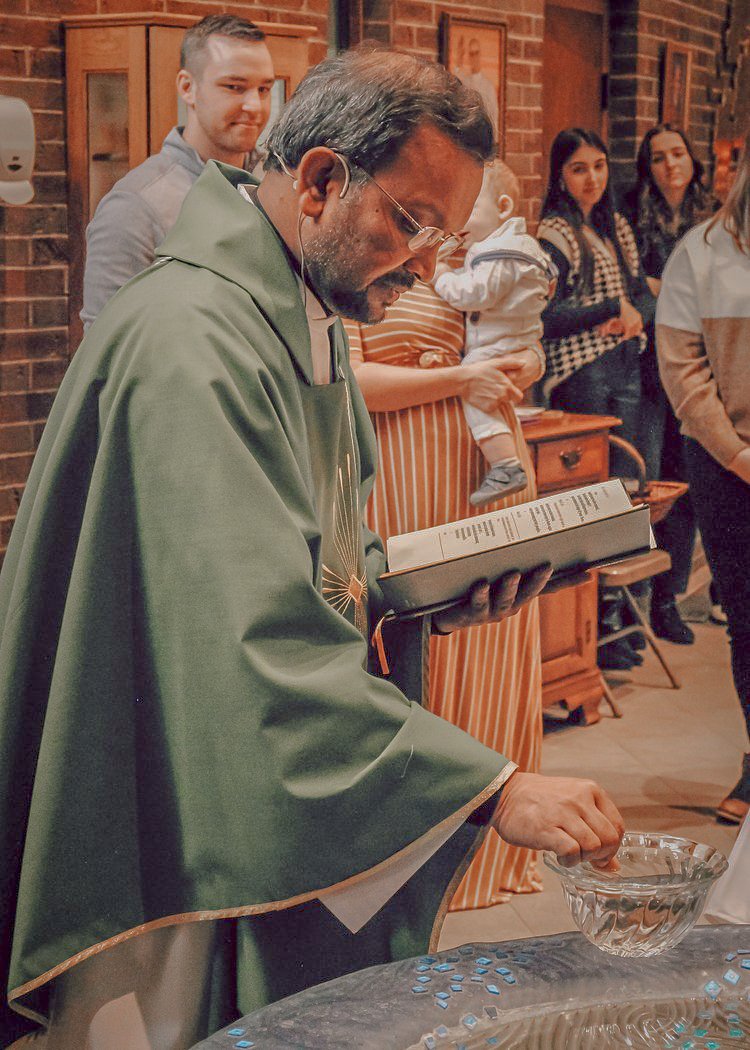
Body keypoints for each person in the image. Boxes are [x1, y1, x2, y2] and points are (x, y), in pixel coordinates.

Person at [0, 50, 624, 1047]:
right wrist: (492, 788)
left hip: (227, 760)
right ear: (323, 180)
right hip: (161, 799)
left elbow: (315, 551)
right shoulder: (193, 342)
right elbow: (249, 645)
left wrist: (416, 590)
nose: (426, 266)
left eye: (443, 236)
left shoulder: (302, 308)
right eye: (412, 223)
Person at [345, 263, 546, 914]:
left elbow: (523, 336)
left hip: (490, 462)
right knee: (426, 642)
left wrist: (525, 363)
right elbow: (350, 381)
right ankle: (425, 864)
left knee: (496, 637)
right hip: (407, 465)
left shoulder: (475, 262)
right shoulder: (359, 265)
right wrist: (461, 378)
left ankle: (496, 848)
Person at [656, 131, 750, 825]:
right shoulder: (703, 252)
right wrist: (741, 457)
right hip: (726, 466)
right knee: (747, 618)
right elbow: (684, 372)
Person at [538, 127, 656, 671]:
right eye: (579, 168)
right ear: (560, 176)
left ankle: (615, 617)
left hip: (626, 363)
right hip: (582, 370)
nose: (592, 178)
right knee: (594, 494)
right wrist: (608, 309)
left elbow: (640, 296)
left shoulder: (615, 226)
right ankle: (591, 629)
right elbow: (546, 316)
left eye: (600, 166)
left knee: (627, 487)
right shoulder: (555, 233)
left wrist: (630, 312)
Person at [80, 13, 275, 330]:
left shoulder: (278, 185)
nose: (254, 106)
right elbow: (107, 345)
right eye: (234, 87)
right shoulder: (135, 206)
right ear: (187, 87)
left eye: (264, 89)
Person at [623, 124, 717, 645]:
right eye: (658, 158)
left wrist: (666, 289)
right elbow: (635, 290)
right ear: (648, 168)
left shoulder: (714, 215)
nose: (669, 165)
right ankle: (640, 604)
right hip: (646, 367)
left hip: (700, 363)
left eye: (677, 154)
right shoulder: (631, 216)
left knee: (687, 484)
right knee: (650, 481)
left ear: (692, 160)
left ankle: (670, 597)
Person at [434, 158, 555, 505]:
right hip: (516, 341)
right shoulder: (518, 246)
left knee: (475, 388)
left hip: (499, 345)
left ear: (503, 208)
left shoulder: (499, 251)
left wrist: (442, 275)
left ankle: (505, 465)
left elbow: (475, 294)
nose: (459, 219)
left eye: (469, 208)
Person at [455, 37, 499, 140]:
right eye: (471, 54)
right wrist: (460, 56)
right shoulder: (464, 82)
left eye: (476, 53)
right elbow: (456, 75)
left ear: (480, 55)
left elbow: (494, 116)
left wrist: (494, 140)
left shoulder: (488, 87)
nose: (474, 57)